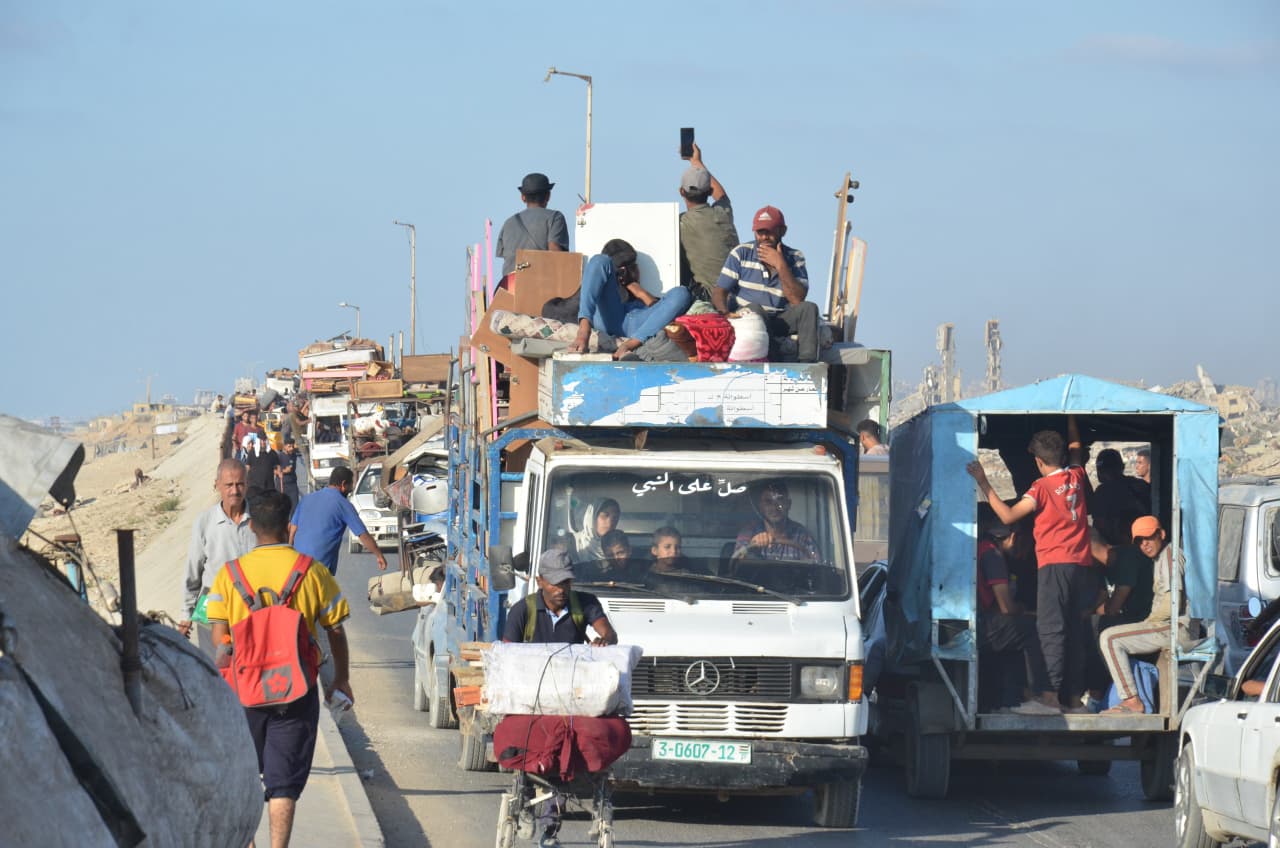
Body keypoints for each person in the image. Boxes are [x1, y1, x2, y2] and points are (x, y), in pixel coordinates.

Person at [205, 490, 353, 848]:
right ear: (290, 529)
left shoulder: (229, 575)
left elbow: (219, 637)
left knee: (242, 775)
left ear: (251, 526)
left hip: (243, 692)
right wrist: (341, 679)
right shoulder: (312, 571)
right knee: (283, 783)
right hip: (297, 691)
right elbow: (335, 629)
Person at [967, 418, 1096, 711]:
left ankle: (1048, 697)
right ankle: (1075, 699)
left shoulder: (1041, 488)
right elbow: (1076, 449)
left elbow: (1010, 516)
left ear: (1038, 461)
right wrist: (1072, 418)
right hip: (1081, 566)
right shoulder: (1076, 476)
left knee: (1049, 630)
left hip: (1053, 566)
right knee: (1075, 630)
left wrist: (984, 482)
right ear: (1061, 456)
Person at [501, 550, 618, 848]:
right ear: (540, 581)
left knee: (565, 753)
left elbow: (608, 631)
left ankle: (550, 826)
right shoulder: (522, 611)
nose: (560, 590)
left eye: (566, 583)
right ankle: (525, 804)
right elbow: (507, 656)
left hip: (570, 696)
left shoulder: (585, 604)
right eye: (554, 583)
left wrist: (602, 640)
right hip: (533, 697)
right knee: (528, 747)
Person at [1100, 516, 1202, 714]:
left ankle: (1132, 700)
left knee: (1110, 638)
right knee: (1112, 634)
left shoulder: (1170, 555)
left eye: (1148, 538)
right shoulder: (1160, 558)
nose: (1144, 544)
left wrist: (1146, 624)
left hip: (1177, 627)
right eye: (1139, 541)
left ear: (1161, 534)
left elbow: (1172, 604)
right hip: (1169, 626)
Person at [712, 206, 820, 362]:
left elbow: (797, 300)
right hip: (750, 319)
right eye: (760, 232)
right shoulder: (741, 253)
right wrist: (724, 312)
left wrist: (780, 264)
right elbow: (719, 291)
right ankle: (775, 359)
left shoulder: (795, 257)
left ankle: (807, 366)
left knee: (809, 308)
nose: (764, 237)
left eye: (769, 232)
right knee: (755, 308)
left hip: (780, 319)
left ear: (782, 231)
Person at [975, 519, 1059, 715]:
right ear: (1012, 535)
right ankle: (1041, 696)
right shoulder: (992, 554)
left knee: (1014, 632)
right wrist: (1025, 610)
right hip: (982, 625)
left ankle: (1009, 700)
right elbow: (1006, 607)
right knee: (1032, 629)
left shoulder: (978, 547)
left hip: (979, 622)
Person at [568, 239, 693, 359]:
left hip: (640, 323)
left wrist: (640, 292)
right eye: (619, 269)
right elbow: (598, 269)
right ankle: (584, 331)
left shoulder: (643, 294)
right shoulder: (598, 285)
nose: (625, 273)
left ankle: (631, 344)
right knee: (598, 260)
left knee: (682, 292)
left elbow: (664, 310)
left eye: (631, 267)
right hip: (612, 318)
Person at [180, 458, 256, 653]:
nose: (235, 490)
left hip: (250, 609)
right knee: (216, 667)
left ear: (247, 484)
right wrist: (186, 614)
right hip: (211, 609)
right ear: (217, 486)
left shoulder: (258, 519)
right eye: (229, 485)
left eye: (240, 484)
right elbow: (193, 571)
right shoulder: (205, 522)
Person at [288, 466, 387, 576]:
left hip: (296, 563)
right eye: (351, 485)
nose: (351, 489)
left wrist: (289, 553)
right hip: (319, 567)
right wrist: (379, 555)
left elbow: (292, 530)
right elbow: (362, 534)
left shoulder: (307, 499)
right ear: (343, 484)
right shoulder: (343, 504)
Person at [677, 143, 738, 303]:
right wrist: (696, 161)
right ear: (709, 192)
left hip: (708, 298)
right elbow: (721, 196)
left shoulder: (680, 223)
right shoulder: (723, 214)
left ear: (681, 191)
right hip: (736, 296)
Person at [495, 172, 569, 281]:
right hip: (539, 287)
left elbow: (507, 258)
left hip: (508, 289)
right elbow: (555, 253)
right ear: (548, 196)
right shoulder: (555, 217)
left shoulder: (508, 223)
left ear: (523, 197)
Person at [732, 481, 820, 562]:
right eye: (768, 502)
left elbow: (815, 569)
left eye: (780, 500)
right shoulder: (748, 533)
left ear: (788, 504)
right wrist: (752, 546)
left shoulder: (803, 536)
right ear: (761, 507)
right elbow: (736, 567)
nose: (774, 508)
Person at [1089, 448, 1151, 546]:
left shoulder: (1102, 491)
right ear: (1122, 467)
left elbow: (1099, 524)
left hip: (1114, 547)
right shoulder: (1141, 485)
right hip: (1143, 542)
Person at [571, 498, 621, 563]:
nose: (610, 522)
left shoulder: (619, 546)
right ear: (592, 517)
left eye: (615, 517)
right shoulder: (572, 542)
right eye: (605, 515)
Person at [243, 434, 282, 504]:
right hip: (254, 487)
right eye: (261, 440)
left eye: (264, 440)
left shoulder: (272, 453)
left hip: (269, 488)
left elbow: (278, 466)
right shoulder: (252, 453)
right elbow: (247, 468)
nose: (263, 442)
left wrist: (279, 472)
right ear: (258, 441)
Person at [277, 438, 302, 508]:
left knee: (295, 506)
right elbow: (274, 470)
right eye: (289, 447)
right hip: (282, 484)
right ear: (284, 446)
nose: (291, 448)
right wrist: (284, 471)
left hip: (292, 483)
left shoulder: (294, 455)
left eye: (292, 446)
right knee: (283, 506)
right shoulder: (279, 456)